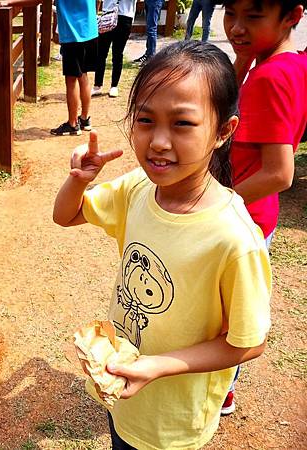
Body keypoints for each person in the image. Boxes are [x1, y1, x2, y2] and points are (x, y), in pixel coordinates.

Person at [53, 41, 271, 449]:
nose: (158, 141)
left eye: (182, 124)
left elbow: (248, 341)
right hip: (123, 390)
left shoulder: (234, 238)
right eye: (146, 120)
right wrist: (79, 180)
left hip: (174, 417)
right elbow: (66, 215)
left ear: (224, 131)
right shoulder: (138, 189)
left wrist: (155, 367)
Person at [218, 0, 307, 416]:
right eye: (230, 13)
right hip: (254, 213)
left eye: (253, 17)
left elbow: (279, 173)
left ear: (292, 16)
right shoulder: (274, 62)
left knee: (223, 315)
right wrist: (240, 59)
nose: (236, 27)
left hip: (245, 217)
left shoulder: (271, 76)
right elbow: (230, 107)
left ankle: (219, 393)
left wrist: (213, 203)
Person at [2, 0, 98, 135]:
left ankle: (72, 124)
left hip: (73, 34)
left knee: (71, 81)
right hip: (90, 31)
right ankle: (84, 118)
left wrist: (10, 2)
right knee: (83, 75)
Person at [92, 0, 137, 98]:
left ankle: (114, 86)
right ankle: (97, 85)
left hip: (125, 16)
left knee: (117, 53)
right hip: (107, 14)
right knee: (101, 52)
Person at [131, 0, 164, 66]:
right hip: (149, 1)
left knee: (152, 29)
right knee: (150, 28)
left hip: (155, 2)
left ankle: (151, 57)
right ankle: (148, 54)